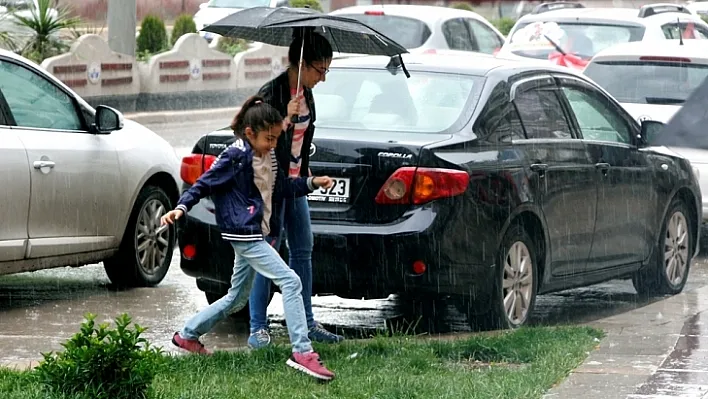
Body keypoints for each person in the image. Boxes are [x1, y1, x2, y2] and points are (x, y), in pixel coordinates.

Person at [162, 95, 336, 381]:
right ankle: (302, 352)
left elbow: (280, 190)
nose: (273, 144)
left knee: (236, 298)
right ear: (250, 133)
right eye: (269, 138)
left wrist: (310, 183)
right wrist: (181, 207)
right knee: (291, 281)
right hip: (244, 234)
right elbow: (204, 183)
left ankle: (187, 335)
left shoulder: (268, 157)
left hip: (258, 233)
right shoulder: (235, 156)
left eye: (276, 138)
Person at [247, 31, 344, 349]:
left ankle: (305, 321)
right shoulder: (271, 94)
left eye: (328, 70)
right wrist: (285, 118)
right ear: (301, 63)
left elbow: (302, 142)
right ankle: (258, 328)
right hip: (273, 188)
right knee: (269, 255)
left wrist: (305, 171)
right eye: (320, 69)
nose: (323, 78)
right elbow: (260, 143)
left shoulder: (308, 95)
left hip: (296, 184)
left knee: (303, 249)